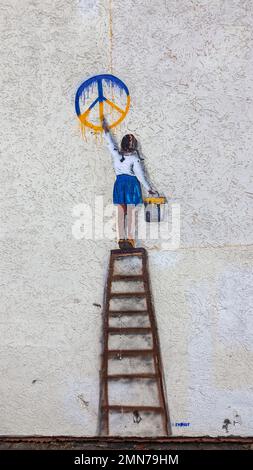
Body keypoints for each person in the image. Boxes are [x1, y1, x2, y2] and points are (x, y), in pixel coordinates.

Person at [102, 118, 157, 249]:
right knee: (131, 213)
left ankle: (121, 239)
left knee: (120, 213)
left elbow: (110, 144)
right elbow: (140, 176)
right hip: (131, 186)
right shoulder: (134, 158)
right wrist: (149, 189)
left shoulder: (116, 155)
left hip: (119, 184)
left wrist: (106, 131)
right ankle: (131, 239)